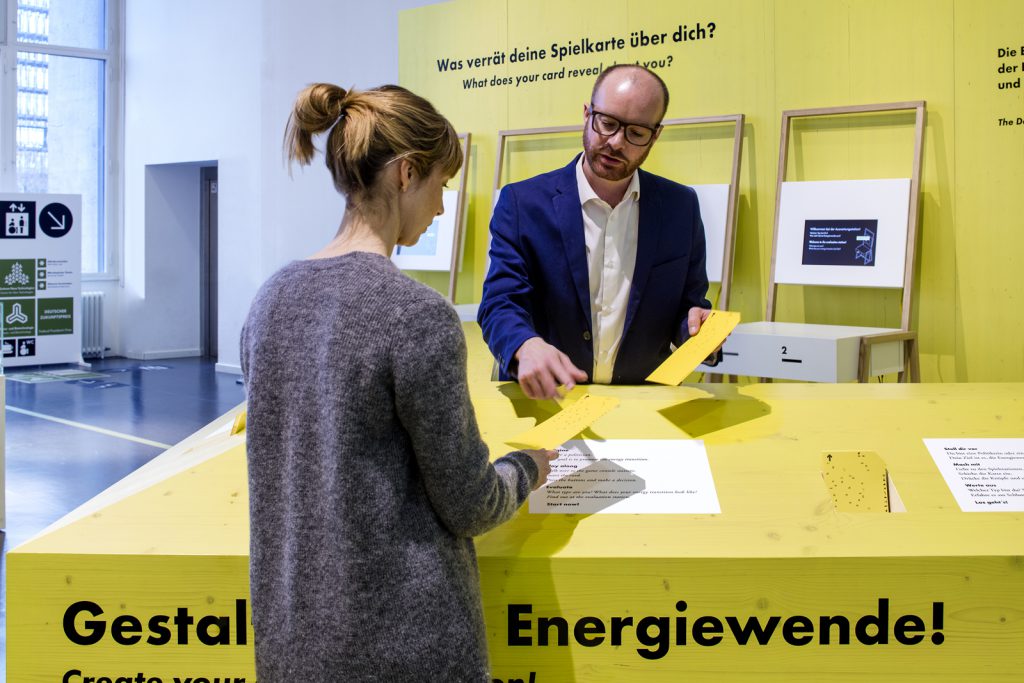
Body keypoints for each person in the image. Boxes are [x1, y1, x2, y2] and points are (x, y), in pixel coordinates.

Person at [241, 83, 557, 682]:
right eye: (441, 184)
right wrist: (530, 466)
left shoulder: (270, 301)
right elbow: (472, 504)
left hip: (294, 642)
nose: (440, 207)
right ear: (407, 173)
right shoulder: (416, 315)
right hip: (406, 649)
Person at [478, 64, 718, 400]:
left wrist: (698, 328)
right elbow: (500, 303)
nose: (616, 143)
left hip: (641, 406)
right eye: (606, 123)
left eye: (636, 133)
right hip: (549, 402)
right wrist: (525, 344)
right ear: (587, 114)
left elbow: (688, 307)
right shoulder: (522, 203)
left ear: (656, 135)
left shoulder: (681, 207)